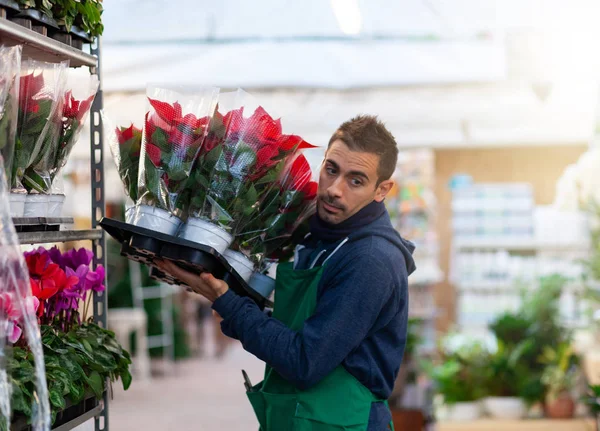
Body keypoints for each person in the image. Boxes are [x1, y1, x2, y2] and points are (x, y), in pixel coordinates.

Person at [156, 115, 416, 431]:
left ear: (382, 189)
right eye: (331, 170)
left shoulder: (371, 260)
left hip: (343, 422)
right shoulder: (322, 236)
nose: (335, 190)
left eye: (356, 180)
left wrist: (227, 301)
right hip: (300, 415)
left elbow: (305, 361)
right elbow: (297, 327)